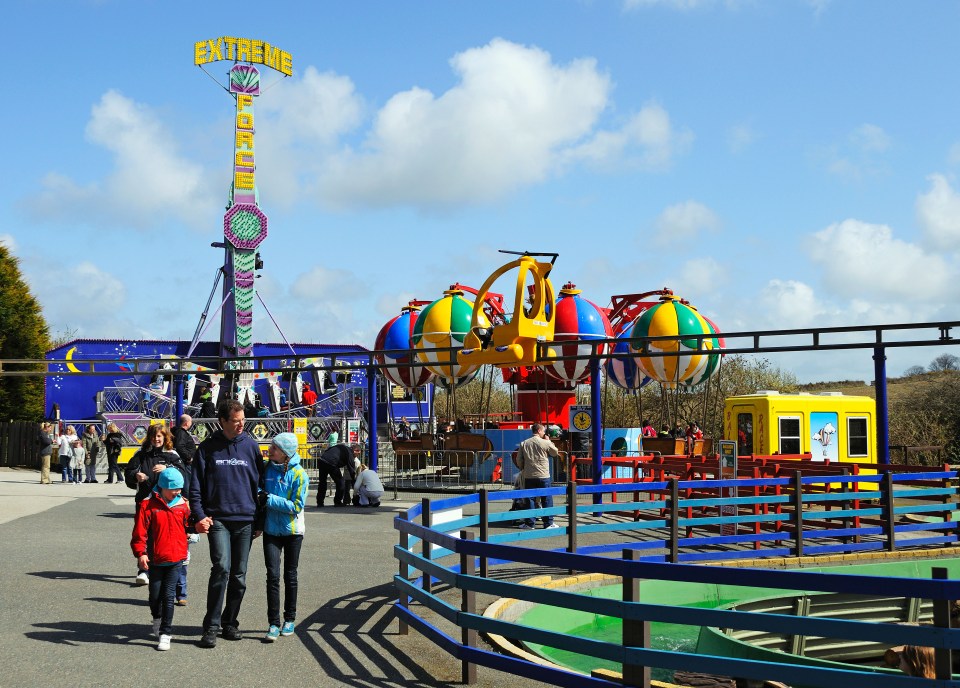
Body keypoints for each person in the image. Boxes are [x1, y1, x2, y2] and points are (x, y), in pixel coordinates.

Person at [189, 400, 264, 648]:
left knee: (239, 576)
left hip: (245, 520)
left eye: (243, 419)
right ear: (222, 422)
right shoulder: (207, 448)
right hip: (218, 518)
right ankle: (210, 626)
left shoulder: (251, 447)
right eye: (236, 420)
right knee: (221, 567)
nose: (241, 424)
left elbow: (261, 485)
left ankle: (230, 622)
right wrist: (200, 515)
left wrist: (260, 519)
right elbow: (195, 486)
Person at [130, 467, 190, 652]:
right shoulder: (148, 506)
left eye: (180, 488)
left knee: (168, 595)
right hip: (155, 559)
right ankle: (156, 618)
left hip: (176, 558)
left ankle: (166, 633)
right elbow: (139, 533)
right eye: (174, 489)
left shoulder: (183, 505)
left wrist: (198, 526)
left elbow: (189, 526)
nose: (178, 492)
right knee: (155, 596)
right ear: (162, 487)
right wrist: (141, 553)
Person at [260, 433, 309, 642]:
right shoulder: (267, 468)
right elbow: (259, 489)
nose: (270, 450)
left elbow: (296, 506)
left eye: (275, 448)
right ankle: (273, 622)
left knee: (290, 575)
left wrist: (268, 499)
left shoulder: (300, 474)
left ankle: (290, 618)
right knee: (272, 576)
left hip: (292, 532)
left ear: (286, 453)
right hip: (271, 530)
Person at [126, 424, 188, 586]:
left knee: (162, 536)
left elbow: (183, 474)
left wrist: (167, 468)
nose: (156, 439)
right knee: (143, 534)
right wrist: (135, 476)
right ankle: (143, 570)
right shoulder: (141, 454)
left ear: (165, 437)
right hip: (145, 500)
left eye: (159, 436)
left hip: (167, 503)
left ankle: (163, 567)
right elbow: (129, 472)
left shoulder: (172, 455)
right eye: (153, 436)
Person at [515, 423, 560, 530]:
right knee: (546, 498)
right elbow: (555, 452)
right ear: (539, 431)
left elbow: (519, 460)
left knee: (529, 499)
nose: (544, 433)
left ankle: (530, 523)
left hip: (529, 475)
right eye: (543, 431)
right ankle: (548, 523)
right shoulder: (545, 442)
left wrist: (523, 468)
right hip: (543, 475)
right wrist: (549, 441)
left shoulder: (524, 443)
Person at [315, 443, 357, 508]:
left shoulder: (340, 446)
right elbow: (351, 471)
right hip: (332, 463)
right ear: (354, 451)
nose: (357, 456)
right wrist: (355, 484)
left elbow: (328, 450)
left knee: (322, 482)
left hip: (322, 460)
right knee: (340, 482)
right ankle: (338, 501)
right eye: (357, 453)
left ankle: (320, 502)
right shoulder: (350, 454)